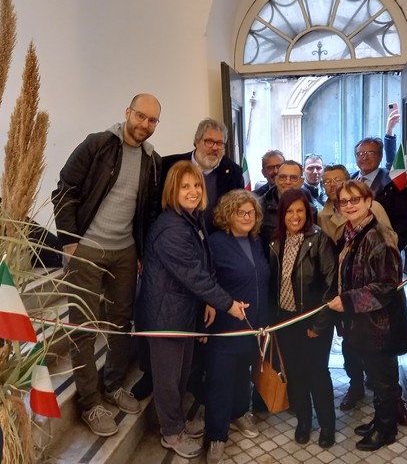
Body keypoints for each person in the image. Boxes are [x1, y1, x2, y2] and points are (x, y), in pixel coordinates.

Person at [51, 93, 162, 437]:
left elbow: (145, 213)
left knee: (120, 321)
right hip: (86, 249)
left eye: (152, 121)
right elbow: (64, 189)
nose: (145, 125)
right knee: (82, 327)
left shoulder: (152, 161)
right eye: (140, 116)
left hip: (125, 252)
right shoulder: (98, 145)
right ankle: (89, 401)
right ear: (127, 112)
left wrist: (142, 253)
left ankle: (113, 384)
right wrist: (69, 240)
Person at [136, 161, 249, 460]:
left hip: (182, 311)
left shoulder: (191, 219)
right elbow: (192, 273)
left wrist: (209, 301)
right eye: (185, 186)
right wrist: (227, 303)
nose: (193, 191)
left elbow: (204, 264)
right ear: (173, 190)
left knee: (181, 374)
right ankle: (171, 432)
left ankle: (177, 423)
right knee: (168, 379)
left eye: (197, 185)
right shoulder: (171, 228)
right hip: (165, 317)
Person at [328, 180, 407, 451]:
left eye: (356, 200)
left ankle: (386, 430)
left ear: (368, 201)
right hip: (364, 323)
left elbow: (387, 286)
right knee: (377, 378)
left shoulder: (379, 235)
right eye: (344, 201)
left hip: (380, 324)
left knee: (384, 381)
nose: (349, 205)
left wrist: (348, 301)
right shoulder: (354, 231)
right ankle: (380, 421)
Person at [204, 190, 269, 464]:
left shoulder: (257, 242)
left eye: (250, 213)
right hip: (226, 325)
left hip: (255, 325)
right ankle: (216, 436)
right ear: (227, 215)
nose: (246, 217)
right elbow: (206, 280)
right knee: (221, 380)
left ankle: (239, 413)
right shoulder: (215, 243)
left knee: (244, 374)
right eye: (240, 212)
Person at [269, 189, 337, 449]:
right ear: (282, 215)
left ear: (308, 212)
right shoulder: (276, 242)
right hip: (286, 322)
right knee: (296, 374)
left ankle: (328, 425)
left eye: (300, 210)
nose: (295, 216)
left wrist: (318, 325)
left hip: (312, 320)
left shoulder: (320, 240)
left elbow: (332, 286)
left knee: (317, 372)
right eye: (289, 211)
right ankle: (304, 421)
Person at [161, 118, 244, 234]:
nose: (215, 148)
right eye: (209, 141)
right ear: (196, 142)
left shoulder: (234, 173)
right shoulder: (168, 166)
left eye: (220, 143)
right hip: (178, 237)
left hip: (217, 241)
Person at [351, 137, 407, 250]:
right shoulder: (349, 181)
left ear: (380, 156)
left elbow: (403, 222)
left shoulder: (392, 182)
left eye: (371, 153)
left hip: (382, 247)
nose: (365, 157)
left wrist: (391, 248)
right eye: (360, 153)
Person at [318, 164, 393, 245]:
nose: (332, 184)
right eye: (327, 182)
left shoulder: (372, 206)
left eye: (338, 179)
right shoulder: (321, 216)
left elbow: (391, 240)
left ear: (348, 181)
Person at [259, 160, 316, 256]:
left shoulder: (311, 210)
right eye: (282, 177)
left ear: (301, 182)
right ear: (276, 180)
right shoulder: (260, 207)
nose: (287, 182)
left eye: (293, 178)